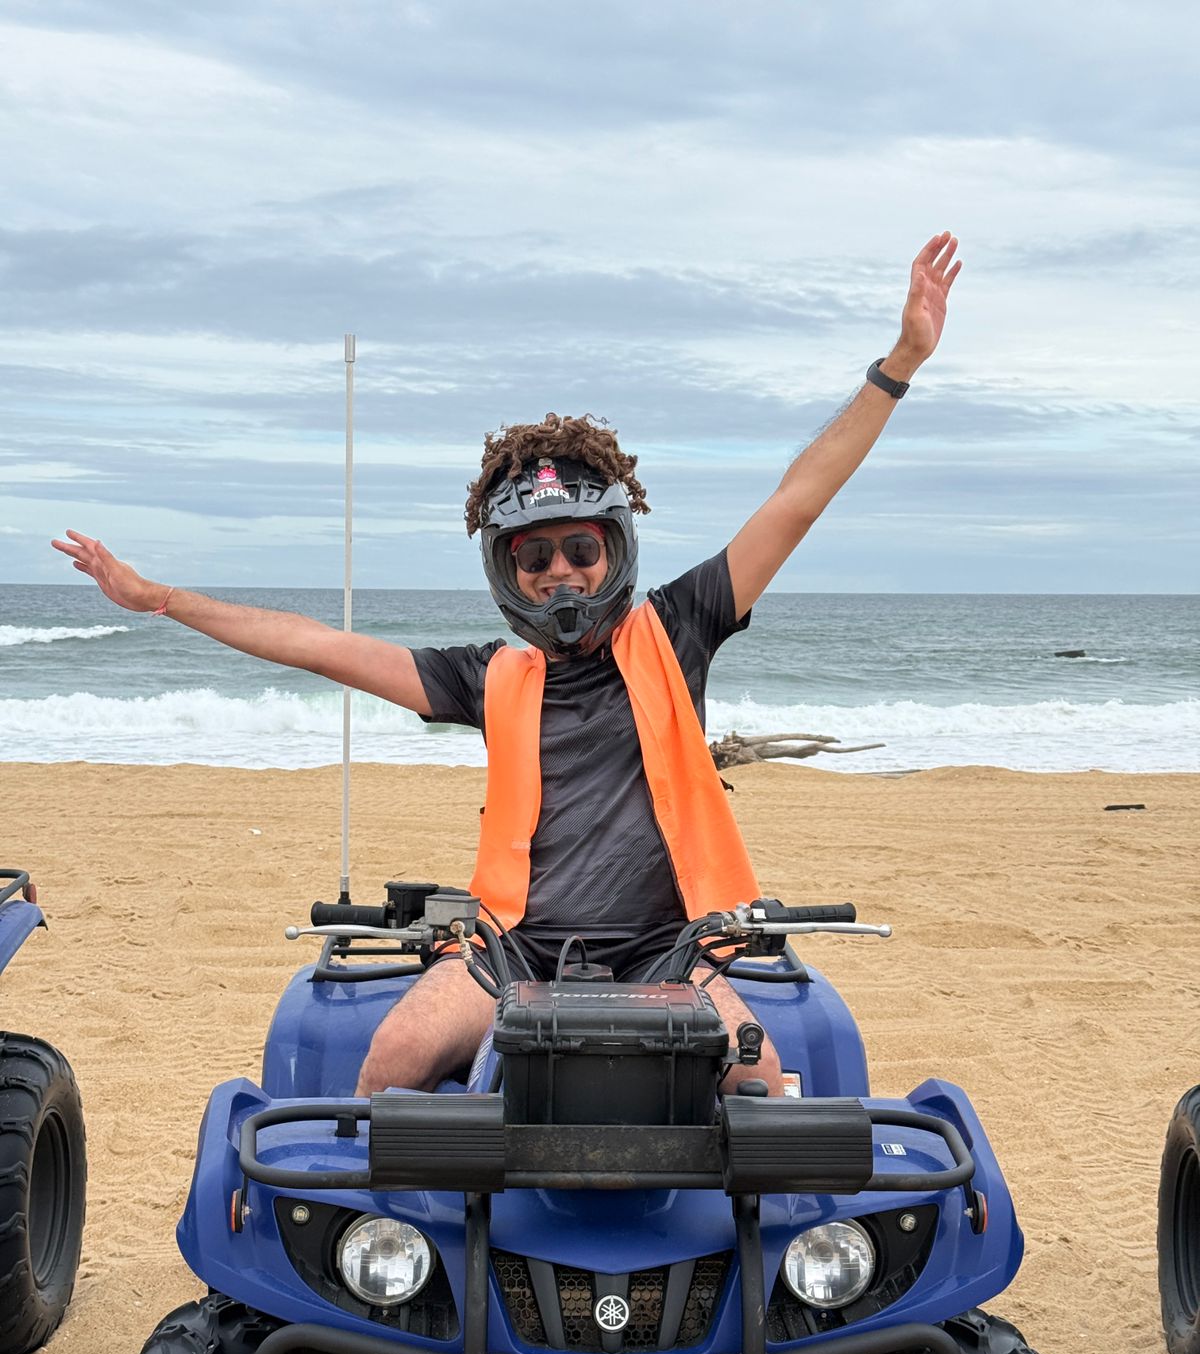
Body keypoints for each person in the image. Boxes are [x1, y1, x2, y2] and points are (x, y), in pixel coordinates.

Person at [54, 232, 961, 1099]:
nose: (562, 572)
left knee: (757, 1076)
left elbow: (798, 499)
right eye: (535, 556)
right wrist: (161, 598)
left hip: (672, 946)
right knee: (393, 1055)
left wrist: (901, 363)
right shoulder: (488, 676)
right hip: (513, 949)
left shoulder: (680, 626)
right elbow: (318, 645)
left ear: (614, 548)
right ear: (508, 570)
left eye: (581, 549)